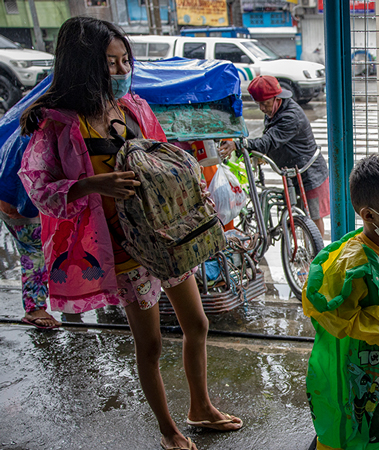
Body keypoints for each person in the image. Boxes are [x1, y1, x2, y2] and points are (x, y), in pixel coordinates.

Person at [17, 17, 242, 450]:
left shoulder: (135, 108)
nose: (122, 72)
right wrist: (89, 184)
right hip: (122, 253)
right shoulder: (59, 126)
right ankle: (168, 429)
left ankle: (201, 407)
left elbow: (168, 159)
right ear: (84, 67)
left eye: (125, 62)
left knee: (198, 323)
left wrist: (194, 189)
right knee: (152, 345)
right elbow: (40, 190)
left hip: (166, 242)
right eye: (111, 64)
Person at [302, 155, 379, 449]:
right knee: (360, 424)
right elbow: (341, 318)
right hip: (365, 366)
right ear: (369, 215)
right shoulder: (353, 265)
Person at [219, 75, 330, 237]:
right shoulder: (274, 110)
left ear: (277, 98)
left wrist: (239, 144)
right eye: (259, 104)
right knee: (297, 214)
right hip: (291, 170)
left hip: (309, 171)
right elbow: (270, 136)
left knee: (313, 217)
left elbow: (269, 140)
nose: (262, 108)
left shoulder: (290, 116)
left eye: (265, 103)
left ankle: (319, 256)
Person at [0, 202, 59, 329]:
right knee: (35, 252)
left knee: (30, 250)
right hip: (30, 209)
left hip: (9, 203)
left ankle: (35, 306)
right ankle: (34, 307)